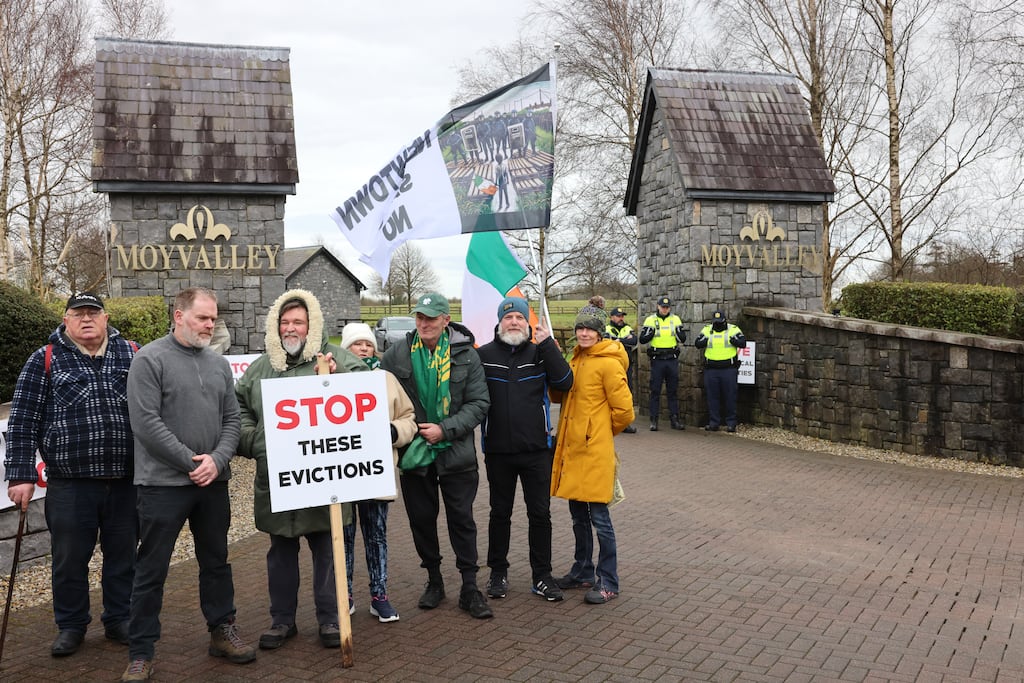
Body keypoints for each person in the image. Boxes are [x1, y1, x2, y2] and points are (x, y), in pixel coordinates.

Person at [122, 287, 252, 682]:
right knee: (151, 569)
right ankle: (141, 651)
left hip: (212, 482)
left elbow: (233, 421)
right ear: (178, 316)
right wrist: (189, 462)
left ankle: (221, 630)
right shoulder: (149, 360)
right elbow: (145, 424)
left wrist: (217, 460)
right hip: (162, 485)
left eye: (213, 319)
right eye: (202, 318)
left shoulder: (217, 364)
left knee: (216, 561)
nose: (210, 325)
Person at [4, 292, 138, 657]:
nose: (86, 319)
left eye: (93, 313)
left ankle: (120, 618)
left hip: (126, 480)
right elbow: (22, 422)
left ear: (106, 317)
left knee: (123, 556)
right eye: (77, 314)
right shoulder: (43, 360)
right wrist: (19, 475)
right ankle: (71, 625)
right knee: (68, 560)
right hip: (70, 484)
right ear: (65, 320)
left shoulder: (133, 354)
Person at [233, 290, 367, 651]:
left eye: (298, 322)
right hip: (278, 482)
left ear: (312, 326)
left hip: (324, 482)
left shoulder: (336, 359)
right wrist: (253, 442)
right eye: (285, 322)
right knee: (280, 553)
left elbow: (367, 393)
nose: (291, 328)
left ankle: (329, 619)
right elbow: (240, 409)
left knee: (327, 550)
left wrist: (339, 380)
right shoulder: (261, 368)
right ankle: (282, 620)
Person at [380, 292, 493, 619]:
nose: (424, 323)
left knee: (462, 520)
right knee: (421, 521)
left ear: (446, 320)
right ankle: (433, 579)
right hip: (414, 455)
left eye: (431, 318)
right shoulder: (397, 354)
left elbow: (479, 403)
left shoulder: (466, 356)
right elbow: (376, 394)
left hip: (456, 454)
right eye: (419, 317)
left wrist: (446, 429)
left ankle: (470, 586)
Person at [477, 297, 573, 602]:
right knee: (499, 513)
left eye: (520, 317)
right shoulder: (485, 355)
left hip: (536, 451)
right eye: (509, 317)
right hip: (498, 451)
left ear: (528, 322)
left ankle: (542, 576)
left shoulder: (540, 352)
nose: (514, 322)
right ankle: (497, 573)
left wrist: (548, 346)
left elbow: (565, 382)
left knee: (540, 514)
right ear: (500, 322)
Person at [550, 305, 634, 604]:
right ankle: (583, 571)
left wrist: (596, 432)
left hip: (594, 451)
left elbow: (624, 412)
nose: (584, 333)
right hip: (573, 450)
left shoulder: (609, 364)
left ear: (600, 332)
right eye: (580, 328)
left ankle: (608, 580)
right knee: (578, 517)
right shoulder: (574, 359)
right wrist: (553, 363)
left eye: (590, 328)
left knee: (600, 518)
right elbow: (559, 395)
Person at [338, 322, 418, 623]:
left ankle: (379, 595)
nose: (362, 349)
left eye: (367, 344)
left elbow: (408, 416)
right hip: (342, 475)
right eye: (356, 344)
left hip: (375, 472)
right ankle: (343, 595)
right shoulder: (330, 380)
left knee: (376, 537)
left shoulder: (385, 379)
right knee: (342, 537)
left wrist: (394, 431)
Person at [638, 296, 687, 431]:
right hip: (657, 359)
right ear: (658, 306)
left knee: (673, 391)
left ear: (669, 308)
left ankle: (674, 420)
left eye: (667, 307)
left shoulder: (675, 319)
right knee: (655, 390)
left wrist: (680, 333)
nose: (665, 309)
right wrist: (649, 333)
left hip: (671, 359)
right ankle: (653, 420)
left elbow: (683, 338)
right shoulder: (651, 320)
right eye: (662, 307)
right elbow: (642, 340)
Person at [694, 309, 747, 433]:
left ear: (724, 321)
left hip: (728, 369)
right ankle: (714, 422)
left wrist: (735, 341)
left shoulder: (733, 329)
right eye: (715, 322)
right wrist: (704, 341)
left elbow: (743, 343)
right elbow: (697, 343)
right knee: (712, 397)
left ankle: (731, 423)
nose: (717, 324)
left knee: (730, 396)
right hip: (711, 370)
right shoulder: (707, 330)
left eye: (719, 322)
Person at [605, 306, 638, 434]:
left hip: (626, 366)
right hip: (612, 366)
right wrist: (624, 341)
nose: (621, 318)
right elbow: (608, 342)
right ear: (612, 317)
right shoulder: (607, 329)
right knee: (612, 393)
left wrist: (618, 341)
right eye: (618, 316)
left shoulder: (627, 328)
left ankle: (626, 423)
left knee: (626, 393)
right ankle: (611, 421)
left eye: (622, 316)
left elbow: (634, 341)